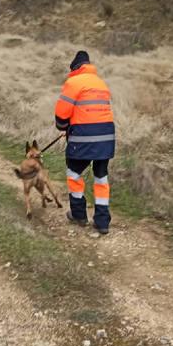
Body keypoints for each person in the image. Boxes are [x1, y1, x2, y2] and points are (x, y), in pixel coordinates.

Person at [54, 51, 115, 235]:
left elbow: (61, 117)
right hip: (106, 138)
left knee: (74, 173)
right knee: (101, 178)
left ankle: (79, 214)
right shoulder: (101, 83)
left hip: (82, 139)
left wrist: (65, 127)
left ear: (74, 68)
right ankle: (102, 221)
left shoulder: (73, 83)